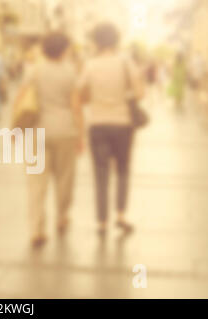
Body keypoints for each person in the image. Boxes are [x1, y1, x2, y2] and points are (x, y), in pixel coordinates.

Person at [77, 23, 144, 236]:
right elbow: (140, 93)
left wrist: (97, 97)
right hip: (122, 124)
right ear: (116, 41)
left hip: (97, 124)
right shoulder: (126, 63)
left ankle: (102, 222)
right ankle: (121, 215)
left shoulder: (90, 65)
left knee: (100, 173)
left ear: (96, 42)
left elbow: (79, 94)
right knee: (123, 170)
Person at [18, 32, 84, 247]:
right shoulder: (70, 72)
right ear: (64, 50)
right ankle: (62, 217)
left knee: (36, 184)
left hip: (36, 131)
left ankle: (36, 229)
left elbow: (20, 100)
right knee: (65, 179)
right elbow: (76, 107)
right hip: (65, 130)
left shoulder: (34, 70)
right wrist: (81, 135)